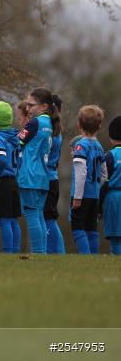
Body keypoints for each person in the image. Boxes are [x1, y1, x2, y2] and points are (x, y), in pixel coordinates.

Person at [17, 87, 59, 254]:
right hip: (42, 175)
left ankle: (38, 252)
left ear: (43, 106)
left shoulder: (35, 123)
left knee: (31, 215)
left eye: (31, 105)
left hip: (29, 174)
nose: (27, 109)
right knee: (39, 215)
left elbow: (18, 141)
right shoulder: (50, 123)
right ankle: (41, 252)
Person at [0, 101, 23, 253]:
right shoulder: (16, 137)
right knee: (13, 219)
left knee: (4, 220)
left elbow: (0, 159)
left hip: (2, 182)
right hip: (14, 181)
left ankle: (8, 251)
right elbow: (20, 160)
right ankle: (15, 250)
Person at [70, 105, 106, 254]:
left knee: (78, 227)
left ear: (79, 124)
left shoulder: (80, 146)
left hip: (81, 195)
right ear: (99, 126)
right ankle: (94, 256)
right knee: (91, 228)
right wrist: (97, 188)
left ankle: (85, 256)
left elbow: (81, 173)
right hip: (94, 195)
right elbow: (104, 173)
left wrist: (77, 197)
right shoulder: (99, 146)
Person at [44, 96, 66, 254]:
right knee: (48, 218)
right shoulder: (56, 130)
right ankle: (54, 251)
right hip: (52, 178)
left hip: (48, 179)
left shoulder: (50, 132)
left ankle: (59, 251)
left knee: (49, 219)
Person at [101, 116, 121, 255]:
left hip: (113, 198)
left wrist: (98, 206)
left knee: (115, 236)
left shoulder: (110, 156)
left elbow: (103, 182)